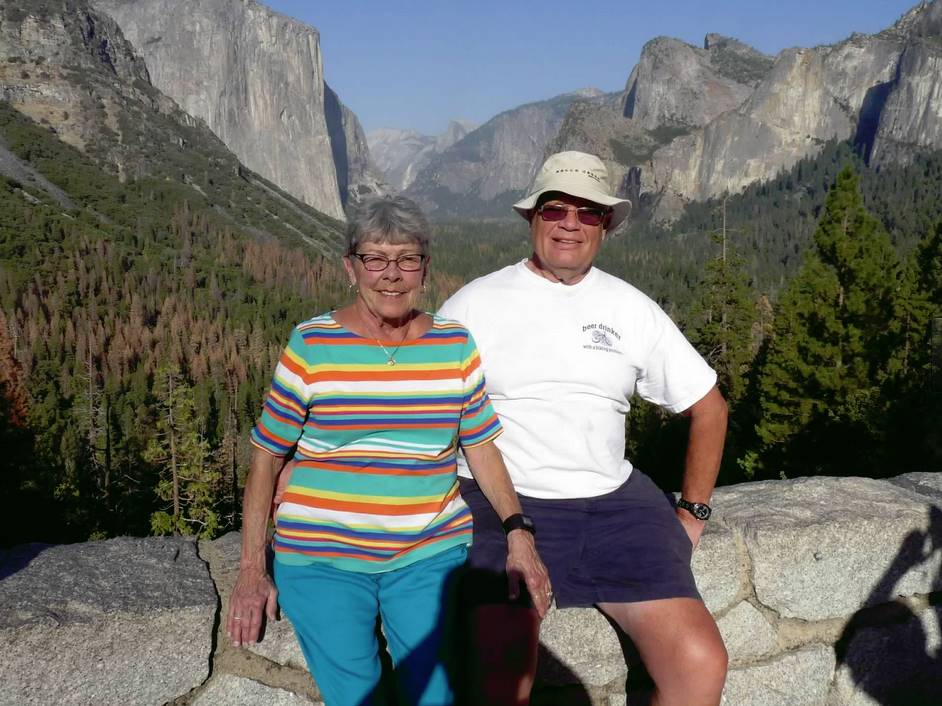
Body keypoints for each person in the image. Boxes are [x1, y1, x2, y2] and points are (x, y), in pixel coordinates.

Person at [226, 195, 551, 706]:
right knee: (358, 697)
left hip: (428, 553)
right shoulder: (311, 345)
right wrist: (251, 570)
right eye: (375, 259)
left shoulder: (454, 344)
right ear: (350, 268)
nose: (391, 275)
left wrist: (517, 532)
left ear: (425, 268)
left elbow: (482, 448)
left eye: (407, 259)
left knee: (437, 697)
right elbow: (267, 457)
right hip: (321, 555)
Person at [439, 151, 729, 706]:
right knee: (503, 669)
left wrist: (692, 512)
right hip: (501, 505)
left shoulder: (630, 307)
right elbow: (425, 411)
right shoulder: (473, 305)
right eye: (556, 209)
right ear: (533, 219)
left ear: (606, 227)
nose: (570, 223)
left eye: (588, 213)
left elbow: (709, 408)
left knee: (700, 664)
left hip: (617, 508)